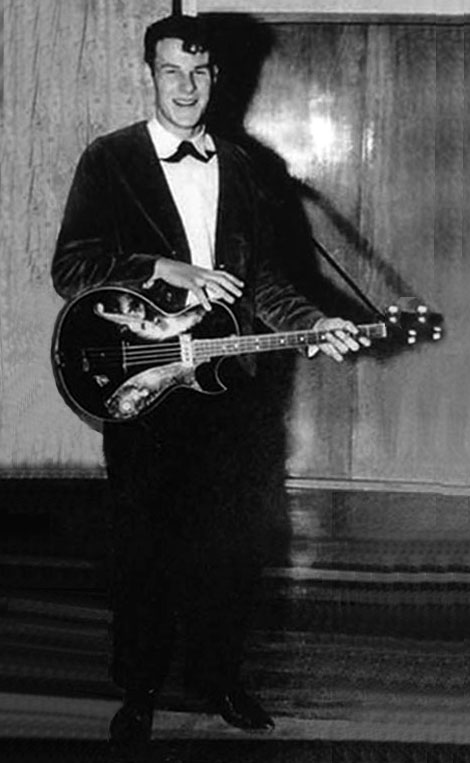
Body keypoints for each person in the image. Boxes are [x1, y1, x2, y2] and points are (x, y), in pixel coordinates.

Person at [51, 14, 368, 762]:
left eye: (199, 72)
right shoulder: (110, 159)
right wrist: (162, 268)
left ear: (217, 78)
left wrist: (316, 322)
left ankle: (220, 679)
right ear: (150, 75)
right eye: (172, 71)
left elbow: (266, 283)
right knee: (144, 547)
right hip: (144, 387)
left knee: (231, 546)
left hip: (234, 393)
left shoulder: (248, 167)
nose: (186, 87)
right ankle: (139, 690)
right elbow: (73, 267)